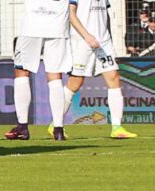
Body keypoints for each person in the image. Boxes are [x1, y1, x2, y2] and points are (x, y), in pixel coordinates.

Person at [59, 0, 137, 139]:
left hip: (103, 42)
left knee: (114, 77)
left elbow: (104, 16)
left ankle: (117, 127)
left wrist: (110, 42)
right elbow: (71, 14)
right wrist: (87, 36)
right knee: (75, 82)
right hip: (82, 42)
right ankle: (56, 123)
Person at [5, 0, 72, 141]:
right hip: (58, 24)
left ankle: (22, 126)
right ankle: (58, 129)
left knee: (22, 71)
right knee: (55, 75)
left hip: (33, 24)